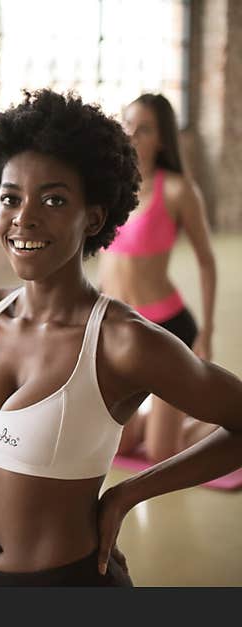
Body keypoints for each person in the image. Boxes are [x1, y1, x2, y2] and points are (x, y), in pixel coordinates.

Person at [0, 89, 242, 586]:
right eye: (10, 198)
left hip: (68, 581)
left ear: (95, 218)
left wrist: (127, 495)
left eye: (54, 199)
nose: (25, 217)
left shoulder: (123, 343)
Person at [99, 93, 218, 462]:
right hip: (121, 327)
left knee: (163, 451)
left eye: (145, 128)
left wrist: (207, 333)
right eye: (128, 123)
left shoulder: (180, 191)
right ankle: (157, 418)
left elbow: (206, 262)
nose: (132, 134)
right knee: (118, 446)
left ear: (162, 139)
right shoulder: (110, 186)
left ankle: (221, 423)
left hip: (167, 328)